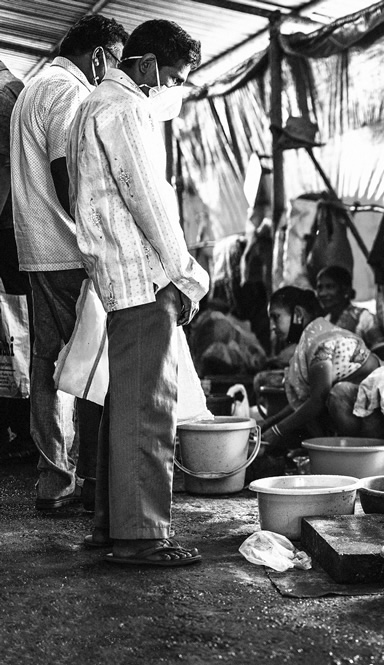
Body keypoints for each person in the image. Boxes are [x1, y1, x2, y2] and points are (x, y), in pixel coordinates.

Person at [66, 19, 208, 566]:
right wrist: (185, 274)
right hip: (144, 277)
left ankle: (111, 526)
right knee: (150, 410)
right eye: (173, 76)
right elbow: (148, 198)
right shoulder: (125, 108)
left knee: (124, 403)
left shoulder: (93, 105)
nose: (171, 88)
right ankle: (142, 536)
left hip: (118, 275)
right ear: (147, 64)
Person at [9, 16, 128, 509]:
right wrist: (96, 236)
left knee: (47, 363)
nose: (115, 75)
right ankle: (78, 483)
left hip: (37, 250)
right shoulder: (69, 92)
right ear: (99, 55)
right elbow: (66, 170)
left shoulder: (33, 87)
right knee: (83, 366)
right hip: (66, 248)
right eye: (116, 63)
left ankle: (53, 478)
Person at [259, 287, 384, 455]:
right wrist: (267, 424)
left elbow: (318, 399)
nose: (272, 327)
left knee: (335, 396)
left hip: (376, 417)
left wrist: (276, 431)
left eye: (276, 317)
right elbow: (303, 401)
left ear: (298, 314)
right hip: (360, 409)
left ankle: (346, 457)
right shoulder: (313, 337)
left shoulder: (321, 343)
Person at [0, 58, 30, 463]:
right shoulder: (13, 90)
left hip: (7, 231)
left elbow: (6, 167)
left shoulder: (7, 95)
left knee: (15, 332)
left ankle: (21, 427)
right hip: (10, 230)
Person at [315, 265, 384, 362]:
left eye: (330, 287)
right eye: (320, 288)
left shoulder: (364, 318)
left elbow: (382, 357)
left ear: (345, 289)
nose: (322, 293)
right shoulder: (323, 322)